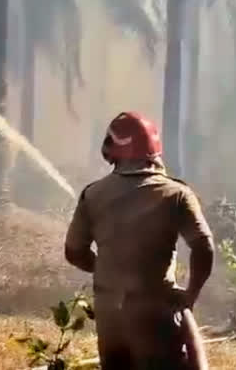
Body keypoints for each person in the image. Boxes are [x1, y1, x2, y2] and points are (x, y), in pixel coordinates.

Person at [64, 111, 214, 370]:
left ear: (113, 150)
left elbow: (74, 251)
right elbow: (203, 247)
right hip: (157, 314)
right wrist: (190, 294)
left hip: (111, 317)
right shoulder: (176, 193)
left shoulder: (93, 194)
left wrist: (107, 269)